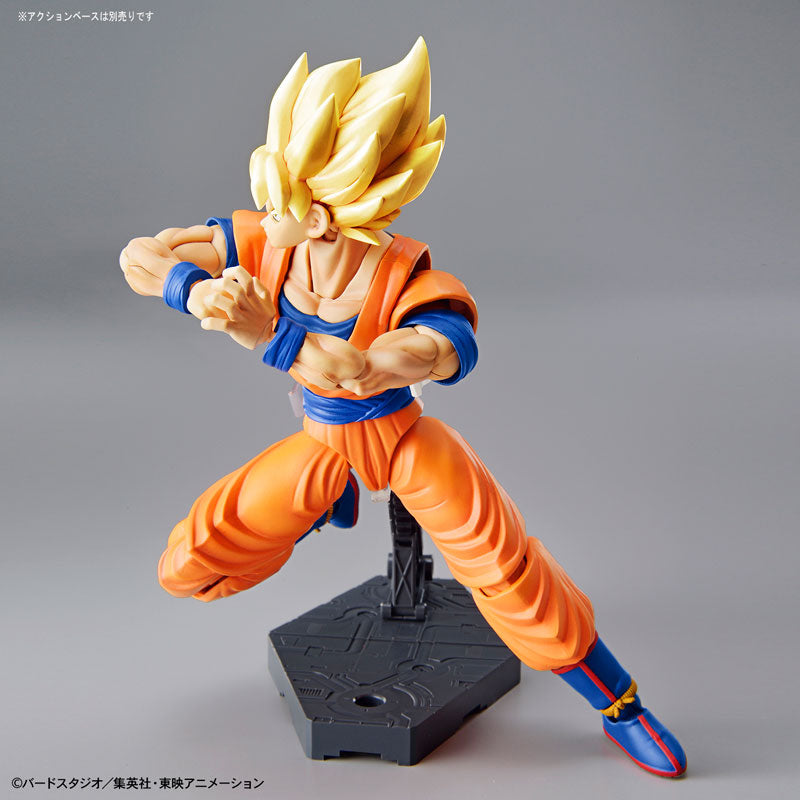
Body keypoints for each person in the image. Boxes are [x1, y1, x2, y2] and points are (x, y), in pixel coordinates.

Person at [120, 38, 686, 778]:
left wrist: (266, 331)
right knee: (192, 563)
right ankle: (330, 499)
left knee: (509, 573)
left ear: (321, 218)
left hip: (406, 441)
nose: (263, 210)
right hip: (324, 442)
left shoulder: (417, 287)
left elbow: (358, 371)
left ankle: (621, 705)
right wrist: (195, 290)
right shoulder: (266, 242)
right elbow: (142, 254)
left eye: (280, 199)